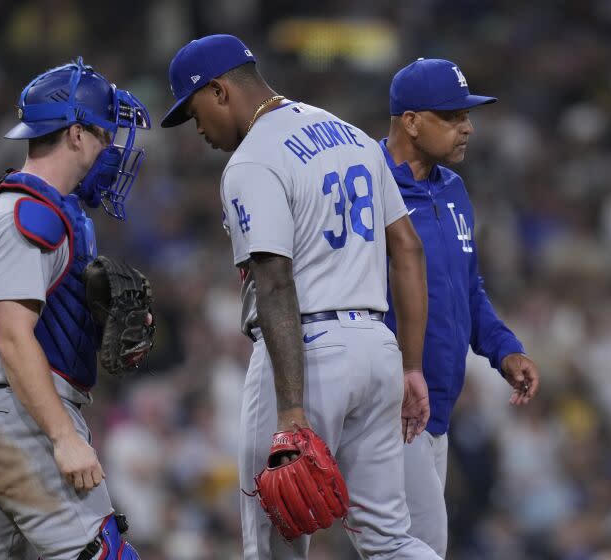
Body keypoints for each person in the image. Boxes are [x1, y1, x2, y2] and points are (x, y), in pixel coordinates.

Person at [160, 35, 441, 559]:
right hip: (376, 346)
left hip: (305, 356)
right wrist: (410, 365)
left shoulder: (251, 161)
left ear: (220, 91)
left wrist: (291, 409)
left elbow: (274, 281)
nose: (196, 129)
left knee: (273, 546)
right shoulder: (352, 135)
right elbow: (408, 248)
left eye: (194, 112)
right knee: (390, 540)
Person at [0, 58, 150, 559]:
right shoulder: (29, 213)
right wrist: (62, 436)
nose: (110, 148)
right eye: (104, 133)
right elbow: (12, 336)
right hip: (19, 421)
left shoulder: (43, 206)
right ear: (76, 134)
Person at [380, 58, 541, 557]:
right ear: (410, 121)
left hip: (438, 410)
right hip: (390, 404)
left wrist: (504, 350)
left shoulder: (453, 190)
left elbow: (468, 291)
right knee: (412, 547)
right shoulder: (366, 186)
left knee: (421, 547)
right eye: (451, 116)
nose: (467, 126)